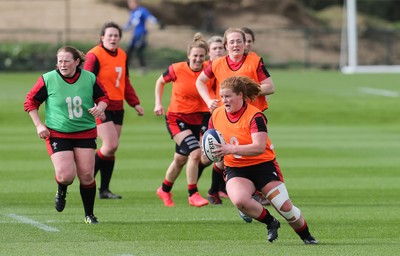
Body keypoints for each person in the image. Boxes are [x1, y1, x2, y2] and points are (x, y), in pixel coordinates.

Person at [208, 75, 318, 244]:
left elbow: (258, 147)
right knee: (239, 201)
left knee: (285, 207)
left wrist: (230, 149)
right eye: (222, 96)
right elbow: (211, 138)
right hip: (236, 168)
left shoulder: (255, 116)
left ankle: (307, 236)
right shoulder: (216, 114)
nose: (224, 100)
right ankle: (271, 223)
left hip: (263, 166)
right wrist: (208, 149)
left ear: (241, 95)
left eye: (228, 96)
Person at [24, 46, 109, 224]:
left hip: (85, 131)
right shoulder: (48, 79)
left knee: (86, 175)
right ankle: (61, 190)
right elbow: (30, 102)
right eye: (60, 61)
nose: (62, 64)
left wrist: (100, 108)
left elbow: (103, 98)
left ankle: (89, 214)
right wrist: (39, 125)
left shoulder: (89, 78)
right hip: (58, 133)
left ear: (77, 62)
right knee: (66, 176)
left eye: (66, 61)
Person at [196, 27, 274, 212]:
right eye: (231, 42)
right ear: (225, 45)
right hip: (225, 117)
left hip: (251, 117)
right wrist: (208, 101)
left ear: (245, 43)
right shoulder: (217, 63)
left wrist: (246, 92)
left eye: (239, 41)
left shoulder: (254, 61)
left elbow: (270, 87)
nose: (236, 45)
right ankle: (219, 191)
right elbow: (200, 81)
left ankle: (238, 194)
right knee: (218, 157)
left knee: (247, 154)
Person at [84, 21, 144, 199]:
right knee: (110, 145)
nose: (113, 38)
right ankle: (86, 180)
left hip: (118, 106)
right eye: (109, 35)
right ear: (102, 37)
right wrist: (96, 105)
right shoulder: (94, 55)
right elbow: (87, 82)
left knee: (110, 149)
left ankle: (104, 190)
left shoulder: (122, 55)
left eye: (116, 35)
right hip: (102, 105)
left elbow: (125, 80)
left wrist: (135, 103)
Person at [154, 32, 214, 208]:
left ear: (206, 57)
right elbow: (160, 82)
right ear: (188, 55)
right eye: (195, 55)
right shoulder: (176, 69)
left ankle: (164, 189)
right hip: (176, 118)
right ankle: (193, 194)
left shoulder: (209, 69)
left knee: (180, 159)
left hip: (198, 119)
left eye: (201, 56)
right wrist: (158, 103)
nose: (197, 59)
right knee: (195, 153)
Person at [197, 35, 228, 205]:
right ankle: (193, 186)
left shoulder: (226, 67)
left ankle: (215, 190)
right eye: (214, 49)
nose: (218, 51)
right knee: (206, 157)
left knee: (221, 155)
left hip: (222, 113)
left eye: (220, 48)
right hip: (204, 115)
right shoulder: (204, 69)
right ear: (208, 52)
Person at [124, 0, 163, 72]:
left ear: (136, 3)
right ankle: (125, 67)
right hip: (134, 35)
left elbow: (149, 18)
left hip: (141, 34)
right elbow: (129, 24)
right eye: (129, 3)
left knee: (138, 49)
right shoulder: (132, 13)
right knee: (129, 50)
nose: (130, 5)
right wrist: (123, 28)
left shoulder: (142, 10)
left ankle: (143, 67)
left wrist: (157, 22)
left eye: (131, 3)